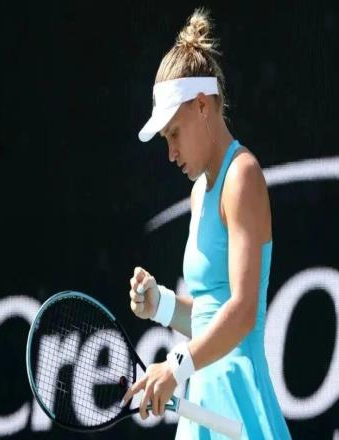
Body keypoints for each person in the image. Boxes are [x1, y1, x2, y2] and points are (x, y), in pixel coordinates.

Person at [122, 8, 292, 440]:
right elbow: (211, 314)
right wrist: (161, 305)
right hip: (204, 403)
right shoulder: (200, 192)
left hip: (238, 398)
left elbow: (242, 311)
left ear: (202, 106)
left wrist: (175, 367)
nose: (170, 154)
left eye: (174, 134)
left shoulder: (242, 176)